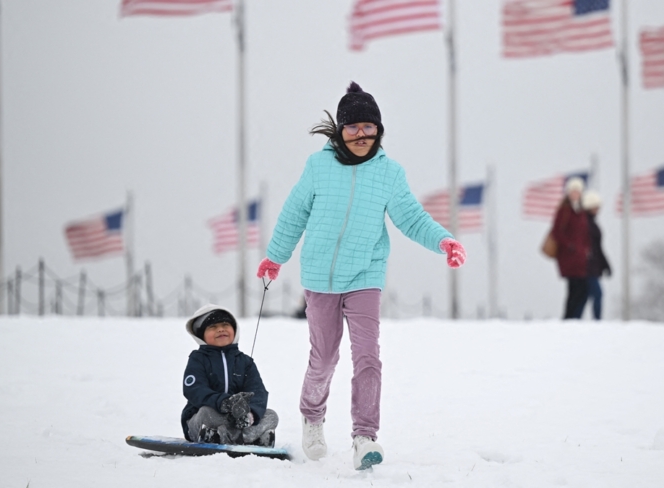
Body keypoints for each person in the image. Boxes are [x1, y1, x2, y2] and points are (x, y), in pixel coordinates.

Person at [256, 82, 467, 470]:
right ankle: (313, 417)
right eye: (352, 128)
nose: (361, 136)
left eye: (369, 128)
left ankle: (365, 436)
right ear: (339, 130)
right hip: (320, 276)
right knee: (324, 358)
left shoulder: (389, 173)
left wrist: (444, 241)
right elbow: (293, 213)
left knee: (368, 356)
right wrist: (275, 256)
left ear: (379, 131)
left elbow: (411, 218)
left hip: (366, 273)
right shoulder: (317, 166)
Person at [181, 304, 279, 447]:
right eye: (212, 327)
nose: (220, 329)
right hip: (207, 417)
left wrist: (250, 414)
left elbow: (258, 391)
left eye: (225, 324)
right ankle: (212, 435)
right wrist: (225, 402)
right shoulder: (198, 359)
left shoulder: (245, 362)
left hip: (238, 421)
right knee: (206, 413)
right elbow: (195, 390)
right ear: (201, 335)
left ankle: (243, 436)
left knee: (271, 416)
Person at [550, 176, 590, 319]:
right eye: (573, 191)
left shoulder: (582, 212)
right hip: (568, 257)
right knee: (574, 288)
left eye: (578, 191)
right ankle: (568, 318)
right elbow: (556, 232)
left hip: (581, 257)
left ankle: (575, 317)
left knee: (583, 289)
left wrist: (586, 249)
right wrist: (569, 245)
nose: (575, 194)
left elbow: (585, 233)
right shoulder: (564, 211)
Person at [580, 190, 611, 320]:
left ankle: (572, 322)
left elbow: (598, 248)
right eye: (595, 206)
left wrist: (605, 265)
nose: (598, 210)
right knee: (596, 294)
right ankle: (597, 321)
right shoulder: (582, 224)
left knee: (583, 297)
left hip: (593, 267)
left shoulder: (593, 225)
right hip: (586, 267)